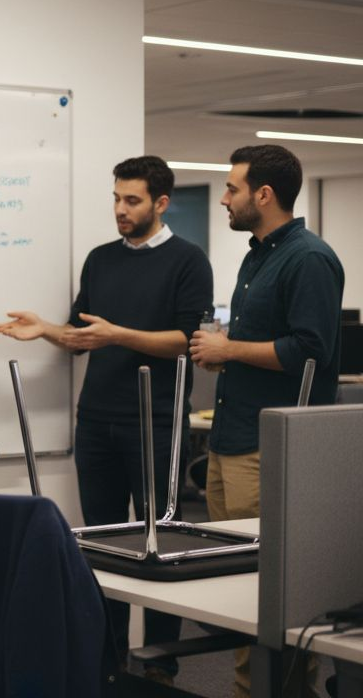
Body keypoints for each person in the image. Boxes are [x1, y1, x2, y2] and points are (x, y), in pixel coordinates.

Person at [0, 156, 213, 684]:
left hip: (156, 423)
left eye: (132, 200)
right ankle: (109, 664)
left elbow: (189, 342)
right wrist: (46, 329)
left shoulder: (188, 261)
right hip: (96, 422)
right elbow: (81, 335)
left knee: (160, 546)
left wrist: (119, 335)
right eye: (116, 198)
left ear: (161, 203)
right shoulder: (100, 259)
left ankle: (160, 665)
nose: (120, 209)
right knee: (104, 546)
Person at [189, 144, 343, 698]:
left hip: (270, 448)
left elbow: (310, 351)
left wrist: (229, 349)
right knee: (238, 584)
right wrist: (228, 353)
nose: (224, 199)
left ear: (264, 194)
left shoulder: (309, 258)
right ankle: (247, 688)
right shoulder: (257, 256)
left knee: (274, 589)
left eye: (231, 189)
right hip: (231, 439)